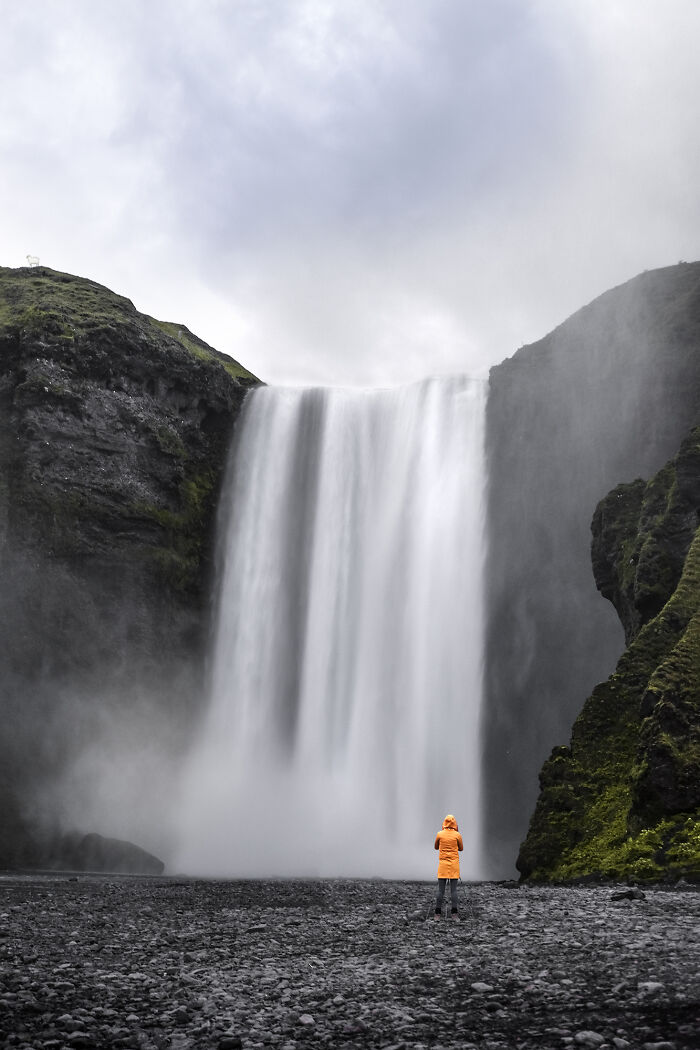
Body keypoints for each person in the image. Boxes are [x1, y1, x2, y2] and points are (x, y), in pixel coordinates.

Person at [434, 814, 463, 920]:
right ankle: (454, 914)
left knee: (440, 890)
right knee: (453, 890)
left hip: (442, 865)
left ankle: (437, 914)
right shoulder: (457, 835)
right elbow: (461, 848)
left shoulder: (439, 834)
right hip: (454, 865)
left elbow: (436, 847)